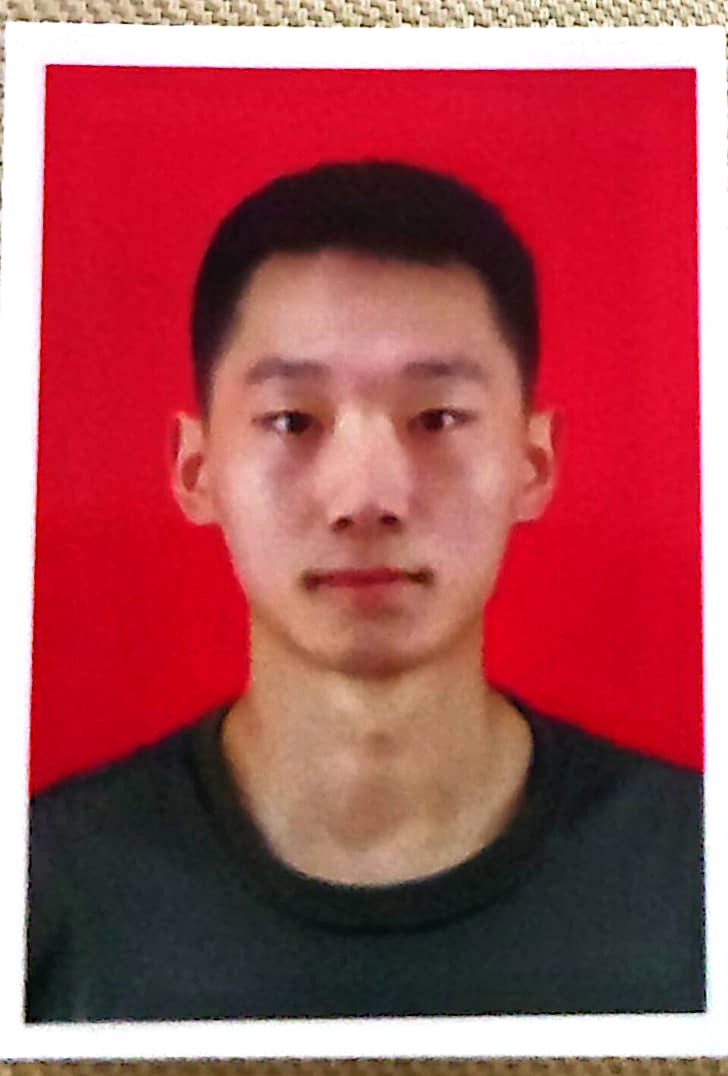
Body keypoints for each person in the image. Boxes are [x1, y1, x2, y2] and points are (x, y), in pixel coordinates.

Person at [26, 160, 704, 1023]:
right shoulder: (45, 888)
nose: (366, 498)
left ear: (533, 463)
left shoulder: (695, 872)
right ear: (195, 471)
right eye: (293, 420)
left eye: (436, 419)